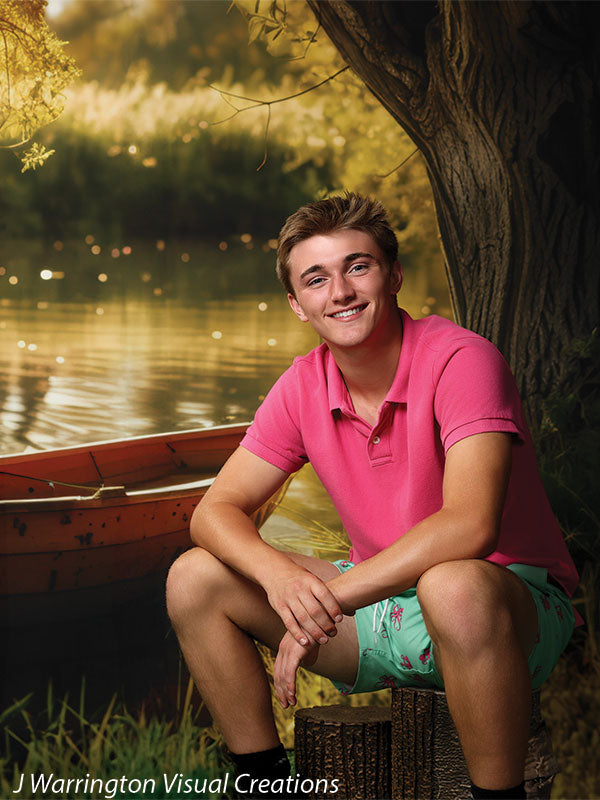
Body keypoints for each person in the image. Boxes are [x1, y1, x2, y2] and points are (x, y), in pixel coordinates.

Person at [166, 193, 578, 800]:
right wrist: (280, 579)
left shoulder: (462, 360)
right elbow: (214, 512)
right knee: (194, 578)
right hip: (378, 609)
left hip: (504, 614)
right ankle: (263, 784)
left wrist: (324, 602)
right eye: (316, 279)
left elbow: (470, 528)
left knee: (452, 585)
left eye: (357, 266)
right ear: (297, 305)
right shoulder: (302, 385)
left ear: (394, 274)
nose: (340, 292)